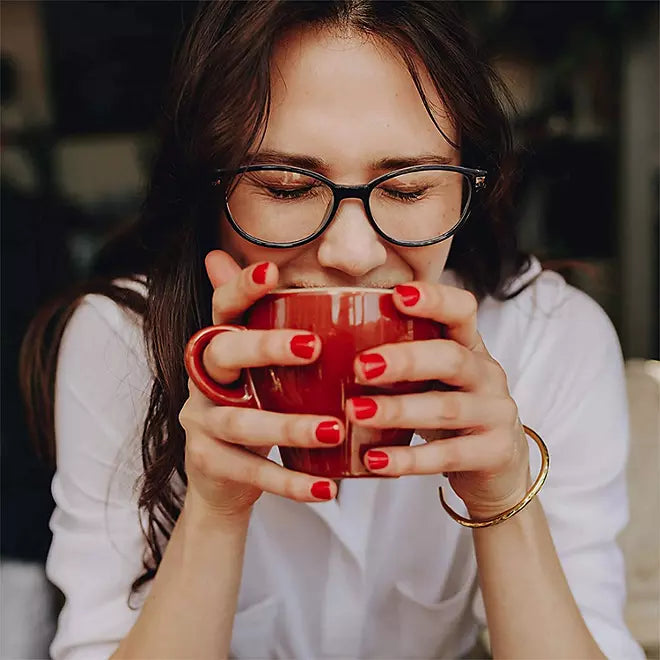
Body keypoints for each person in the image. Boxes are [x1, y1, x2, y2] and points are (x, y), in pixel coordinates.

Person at [21, 2, 643, 658]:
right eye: (288, 187)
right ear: (208, 189)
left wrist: (504, 498)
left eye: (408, 189)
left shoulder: (552, 338)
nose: (352, 251)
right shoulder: (122, 343)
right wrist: (213, 513)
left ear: (470, 187)